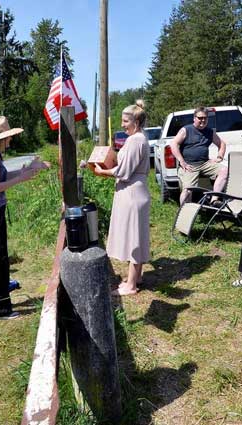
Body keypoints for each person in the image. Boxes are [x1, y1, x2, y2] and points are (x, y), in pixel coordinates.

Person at [0, 116, 49, 320]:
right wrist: (21, 179)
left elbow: (1, 177)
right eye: (8, 137)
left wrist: (27, 169)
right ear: (0, 138)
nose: (11, 141)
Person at [93, 100, 151, 296]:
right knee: (137, 236)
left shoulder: (135, 140)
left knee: (134, 238)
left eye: (125, 121)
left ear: (136, 121)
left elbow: (124, 171)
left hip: (132, 193)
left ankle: (131, 285)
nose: (122, 124)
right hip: (135, 190)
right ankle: (137, 277)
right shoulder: (140, 138)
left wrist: (103, 171)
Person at [169, 106, 228, 205]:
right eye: (200, 118)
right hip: (189, 166)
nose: (203, 120)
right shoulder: (186, 130)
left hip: (205, 164)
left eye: (205, 118)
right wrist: (181, 161)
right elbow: (173, 144)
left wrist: (219, 157)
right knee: (187, 190)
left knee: (224, 170)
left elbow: (222, 144)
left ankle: (214, 199)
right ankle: (184, 213)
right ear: (194, 118)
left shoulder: (209, 131)